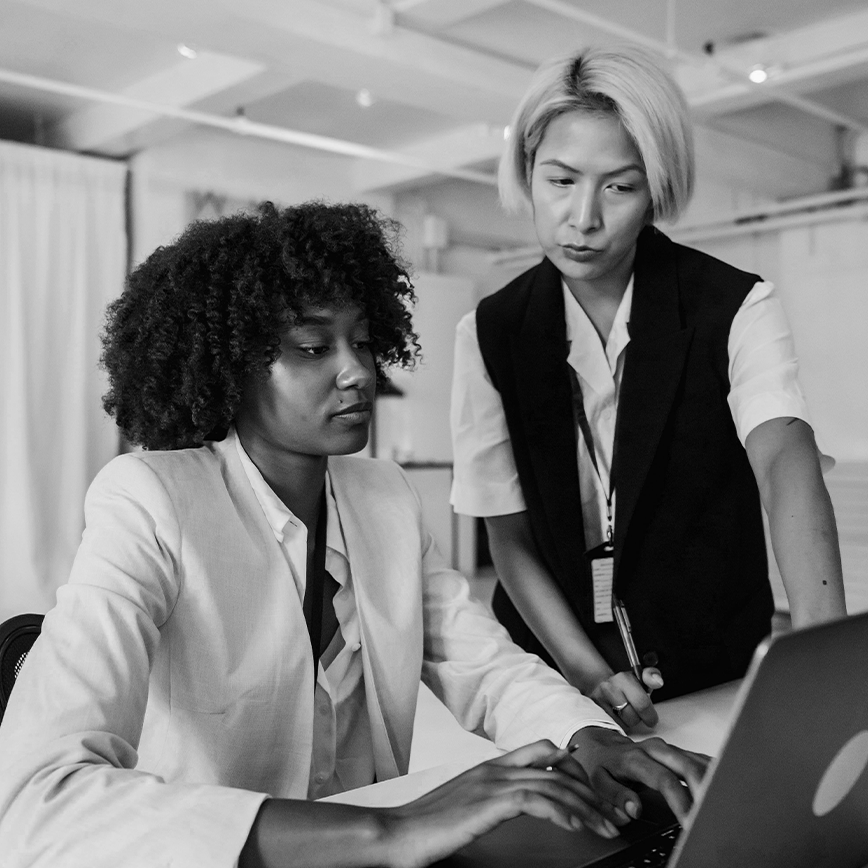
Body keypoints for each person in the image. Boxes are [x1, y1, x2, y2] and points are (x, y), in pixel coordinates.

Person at [0, 201, 708, 868]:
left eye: (364, 342)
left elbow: (485, 667)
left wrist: (590, 739)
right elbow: (38, 801)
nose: (356, 371)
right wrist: (390, 828)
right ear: (228, 364)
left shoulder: (384, 497)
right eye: (313, 346)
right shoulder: (151, 499)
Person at [450, 45, 847, 732]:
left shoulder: (734, 305)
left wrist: (829, 670)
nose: (583, 218)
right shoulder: (489, 332)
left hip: (710, 668)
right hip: (552, 678)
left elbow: (785, 459)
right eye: (561, 180)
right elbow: (508, 539)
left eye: (618, 186)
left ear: (656, 189)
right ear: (527, 173)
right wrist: (588, 675)